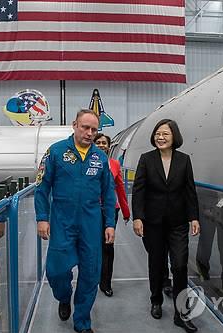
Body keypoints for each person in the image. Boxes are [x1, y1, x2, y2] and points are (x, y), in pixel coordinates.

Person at [34, 109, 116, 333]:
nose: (90, 133)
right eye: (85, 127)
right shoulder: (56, 152)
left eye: (94, 129)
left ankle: (82, 322)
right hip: (62, 222)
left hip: (91, 224)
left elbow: (109, 193)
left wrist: (110, 223)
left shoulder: (100, 158)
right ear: (74, 125)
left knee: (90, 274)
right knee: (56, 271)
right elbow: (42, 187)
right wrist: (42, 218)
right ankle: (63, 296)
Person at [132, 119, 200, 333]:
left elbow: (190, 191)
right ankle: (156, 301)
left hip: (178, 223)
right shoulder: (146, 160)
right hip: (153, 223)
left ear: (174, 137)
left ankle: (181, 314)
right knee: (157, 263)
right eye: (157, 134)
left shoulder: (184, 160)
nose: (160, 137)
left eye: (165, 134)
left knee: (179, 265)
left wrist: (194, 217)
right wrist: (137, 217)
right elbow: (139, 190)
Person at [94, 133, 131, 297]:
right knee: (93, 245)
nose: (101, 145)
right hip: (91, 210)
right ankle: (91, 278)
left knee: (108, 246)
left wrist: (125, 210)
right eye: (98, 142)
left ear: (109, 147)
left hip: (110, 210)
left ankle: (106, 282)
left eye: (104, 143)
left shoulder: (115, 164)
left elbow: (120, 189)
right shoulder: (88, 163)